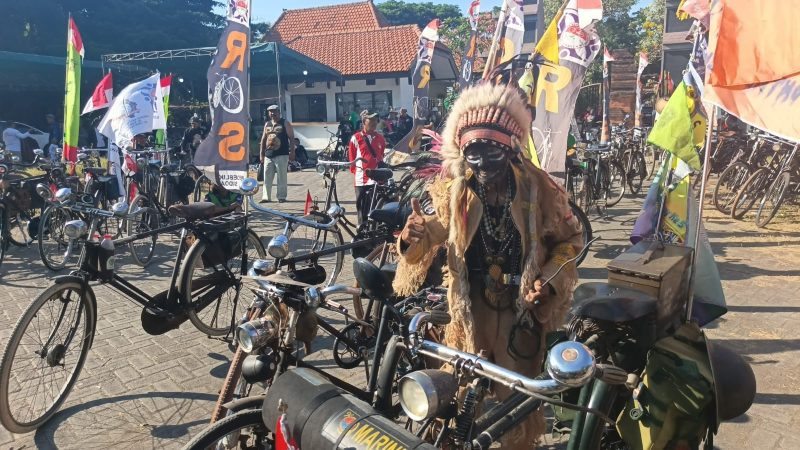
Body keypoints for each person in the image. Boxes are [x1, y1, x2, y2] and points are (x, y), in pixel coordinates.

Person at [394, 83, 583, 448]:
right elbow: (434, 232)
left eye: (491, 152)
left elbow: (570, 240)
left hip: (519, 315)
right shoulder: (455, 190)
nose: (481, 164)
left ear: (511, 148)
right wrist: (413, 235)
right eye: (472, 154)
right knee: (458, 403)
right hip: (470, 315)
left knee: (517, 411)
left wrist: (547, 281)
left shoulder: (540, 190)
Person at [347, 109, 386, 224]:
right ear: (364, 121)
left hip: (377, 180)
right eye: (371, 120)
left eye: (376, 120)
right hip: (361, 180)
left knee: (375, 209)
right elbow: (352, 160)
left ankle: (374, 229)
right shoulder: (356, 138)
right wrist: (359, 173)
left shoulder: (381, 139)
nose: (374, 122)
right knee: (362, 209)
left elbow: (381, 156)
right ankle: (361, 230)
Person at [260, 105, 295, 203]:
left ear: (279, 112)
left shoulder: (285, 123)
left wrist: (292, 152)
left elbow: (291, 138)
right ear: (268, 113)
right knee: (267, 177)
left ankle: (281, 196)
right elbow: (263, 140)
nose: (272, 113)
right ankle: (266, 197)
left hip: (282, 154)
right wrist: (261, 154)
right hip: (268, 154)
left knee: (281, 177)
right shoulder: (267, 124)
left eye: (274, 111)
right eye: (270, 112)